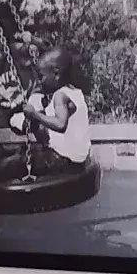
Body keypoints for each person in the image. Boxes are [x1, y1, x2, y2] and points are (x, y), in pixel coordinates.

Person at [13, 48, 93, 177]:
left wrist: (35, 114)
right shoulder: (76, 92)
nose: (39, 81)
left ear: (56, 74)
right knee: (30, 149)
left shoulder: (60, 96)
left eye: (41, 77)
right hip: (78, 159)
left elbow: (61, 124)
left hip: (62, 160)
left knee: (13, 164)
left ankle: (4, 160)